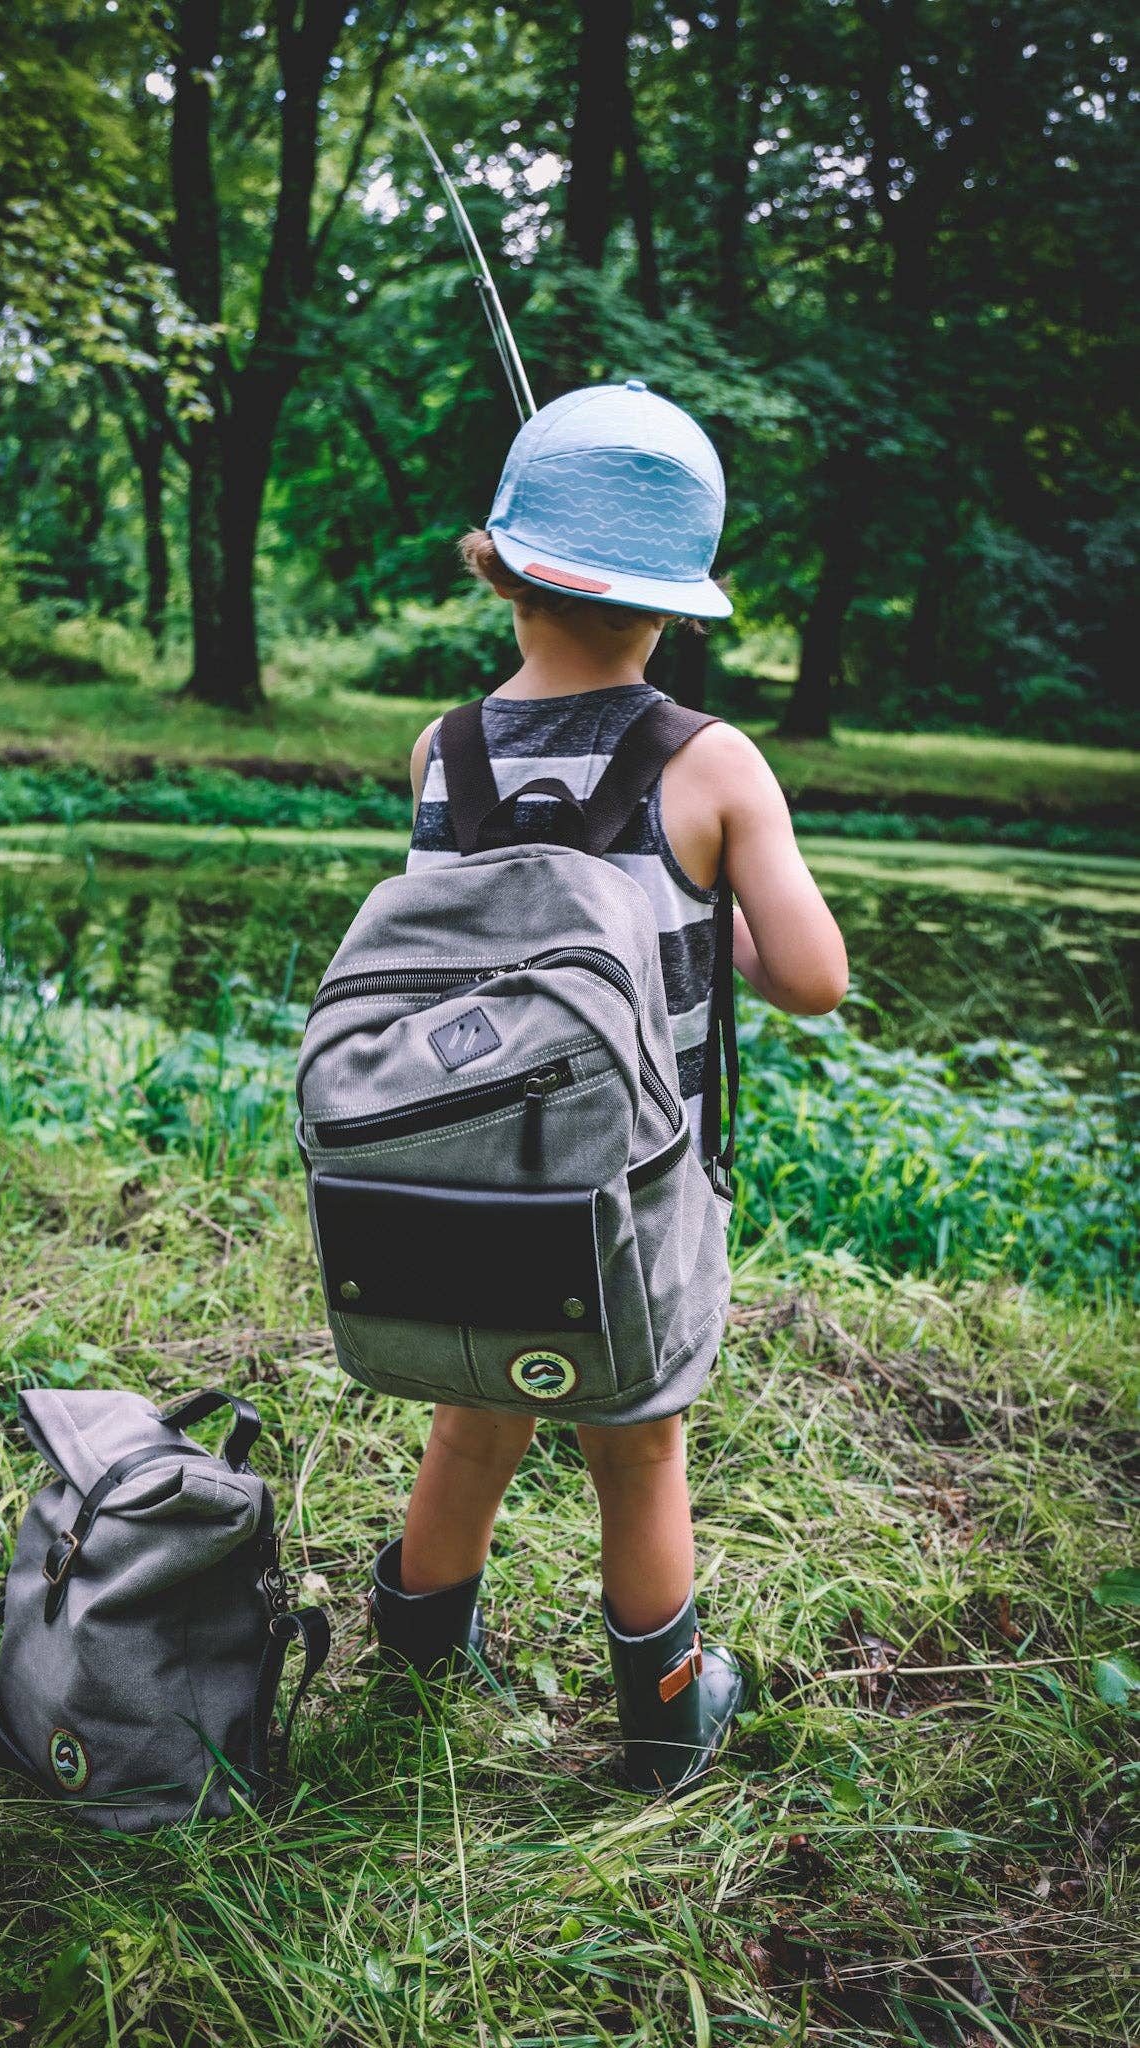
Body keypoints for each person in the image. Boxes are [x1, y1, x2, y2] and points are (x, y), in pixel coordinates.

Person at [368, 382, 848, 1791]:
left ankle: (415, 1669)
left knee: (473, 1423)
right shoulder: (710, 761)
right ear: (675, 604)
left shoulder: (441, 750)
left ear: (500, 568)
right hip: (628, 1187)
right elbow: (810, 975)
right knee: (636, 1455)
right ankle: (662, 1717)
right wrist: (712, 921)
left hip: (454, 1165)